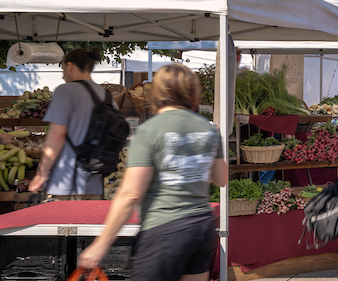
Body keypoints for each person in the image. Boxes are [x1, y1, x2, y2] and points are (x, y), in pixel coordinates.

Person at [77, 63, 228, 280]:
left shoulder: (149, 130)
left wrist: (100, 244)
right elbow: (221, 178)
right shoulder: (209, 129)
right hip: (201, 227)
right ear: (192, 93)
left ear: (158, 93)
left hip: (164, 231)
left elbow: (131, 193)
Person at [29, 48, 107, 198]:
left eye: (63, 68)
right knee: (90, 221)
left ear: (70, 66)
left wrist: (42, 173)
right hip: (95, 178)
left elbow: (57, 134)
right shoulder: (106, 95)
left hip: (66, 179)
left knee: (64, 220)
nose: (62, 73)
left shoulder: (65, 91)